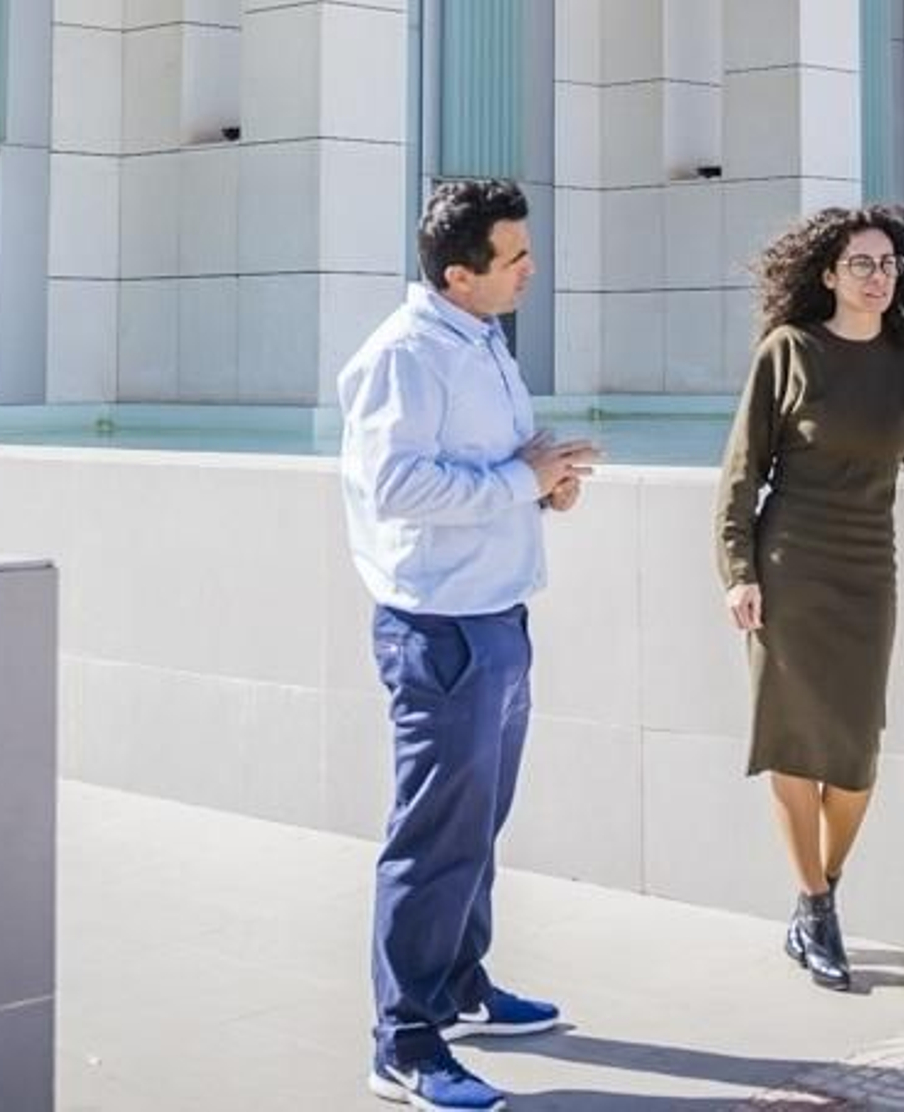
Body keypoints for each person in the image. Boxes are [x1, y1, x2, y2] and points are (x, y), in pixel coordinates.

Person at [339, 179, 600, 1112]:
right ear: (459, 273)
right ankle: (404, 1042)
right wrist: (518, 480)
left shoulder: (479, 340)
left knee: (476, 823)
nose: (532, 268)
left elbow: (499, 465)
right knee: (434, 836)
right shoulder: (406, 356)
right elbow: (399, 487)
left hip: (497, 614)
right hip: (440, 627)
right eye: (515, 256)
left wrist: (548, 480)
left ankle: (458, 988)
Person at [714, 206, 904, 992]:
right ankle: (815, 908)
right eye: (862, 265)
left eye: (888, 265)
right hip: (789, 569)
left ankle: (823, 888)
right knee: (790, 745)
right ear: (827, 275)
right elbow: (741, 473)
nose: (878, 278)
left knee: (854, 761)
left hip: (866, 571)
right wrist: (738, 570)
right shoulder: (789, 352)